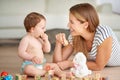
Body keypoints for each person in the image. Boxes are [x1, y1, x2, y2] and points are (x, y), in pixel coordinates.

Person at [53, 3, 120, 71]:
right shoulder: (75, 37)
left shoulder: (103, 34)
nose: (68, 25)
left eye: (72, 22)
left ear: (85, 25)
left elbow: (98, 66)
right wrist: (58, 43)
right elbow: (58, 64)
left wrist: (71, 64)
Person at [18, 12, 65, 77]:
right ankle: (45, 73)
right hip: (30, 64)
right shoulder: (26, 39)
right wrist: (32, 57)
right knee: (28, 69)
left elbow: (47, 50)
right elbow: (21, 53)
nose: (45, 29)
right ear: (32, 29)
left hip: (42, 64)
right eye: (42, 28)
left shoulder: (39, 39)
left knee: (54, 65)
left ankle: (61, 73)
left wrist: (46, 41)